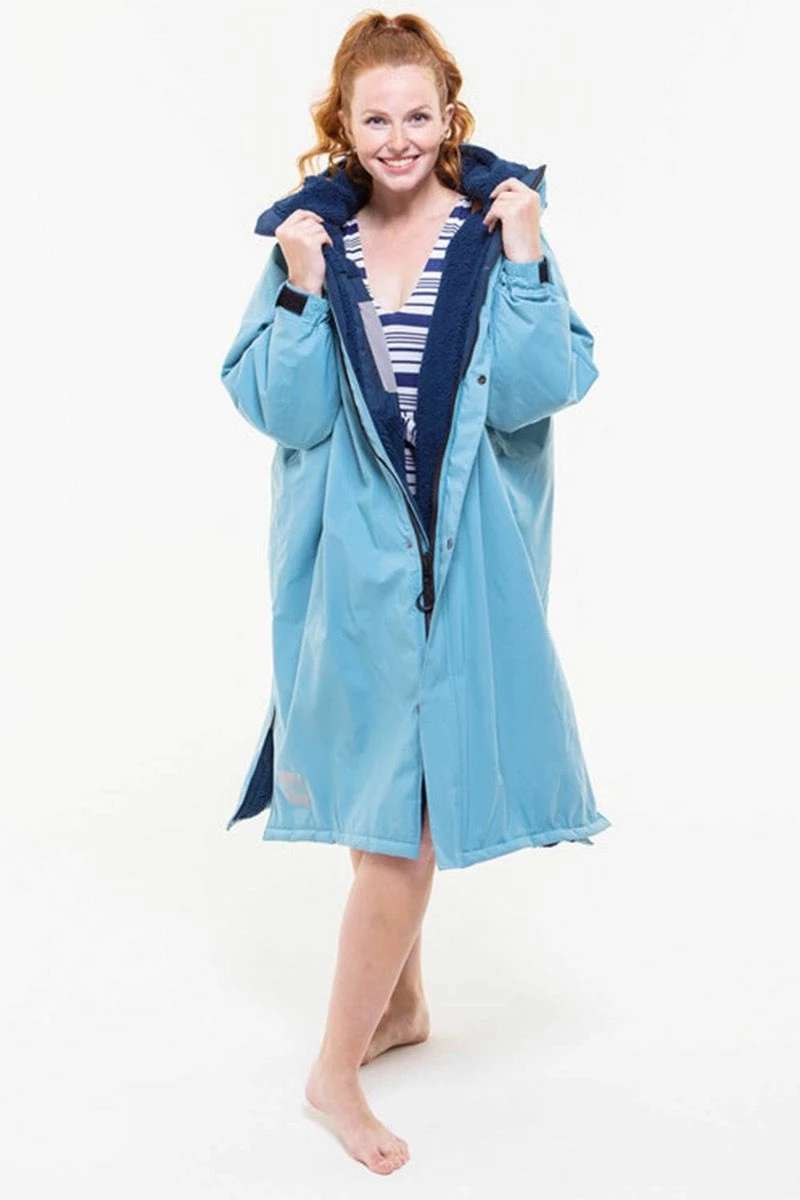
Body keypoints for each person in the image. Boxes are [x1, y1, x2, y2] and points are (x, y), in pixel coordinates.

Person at [220, 9, 611, 1177]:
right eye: (374, 116)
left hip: (465, 565)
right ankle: (392, 1012)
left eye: (416, 114)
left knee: (410, 828)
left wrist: (528, 258)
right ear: (341, 125)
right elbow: (284, 412)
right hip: (349, 568)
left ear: (449, 117)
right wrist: (299, 289)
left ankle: (333, 1067)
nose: (396, 137)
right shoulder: (312, 244)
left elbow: (537, 390)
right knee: (376, 809)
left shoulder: (494, 233)